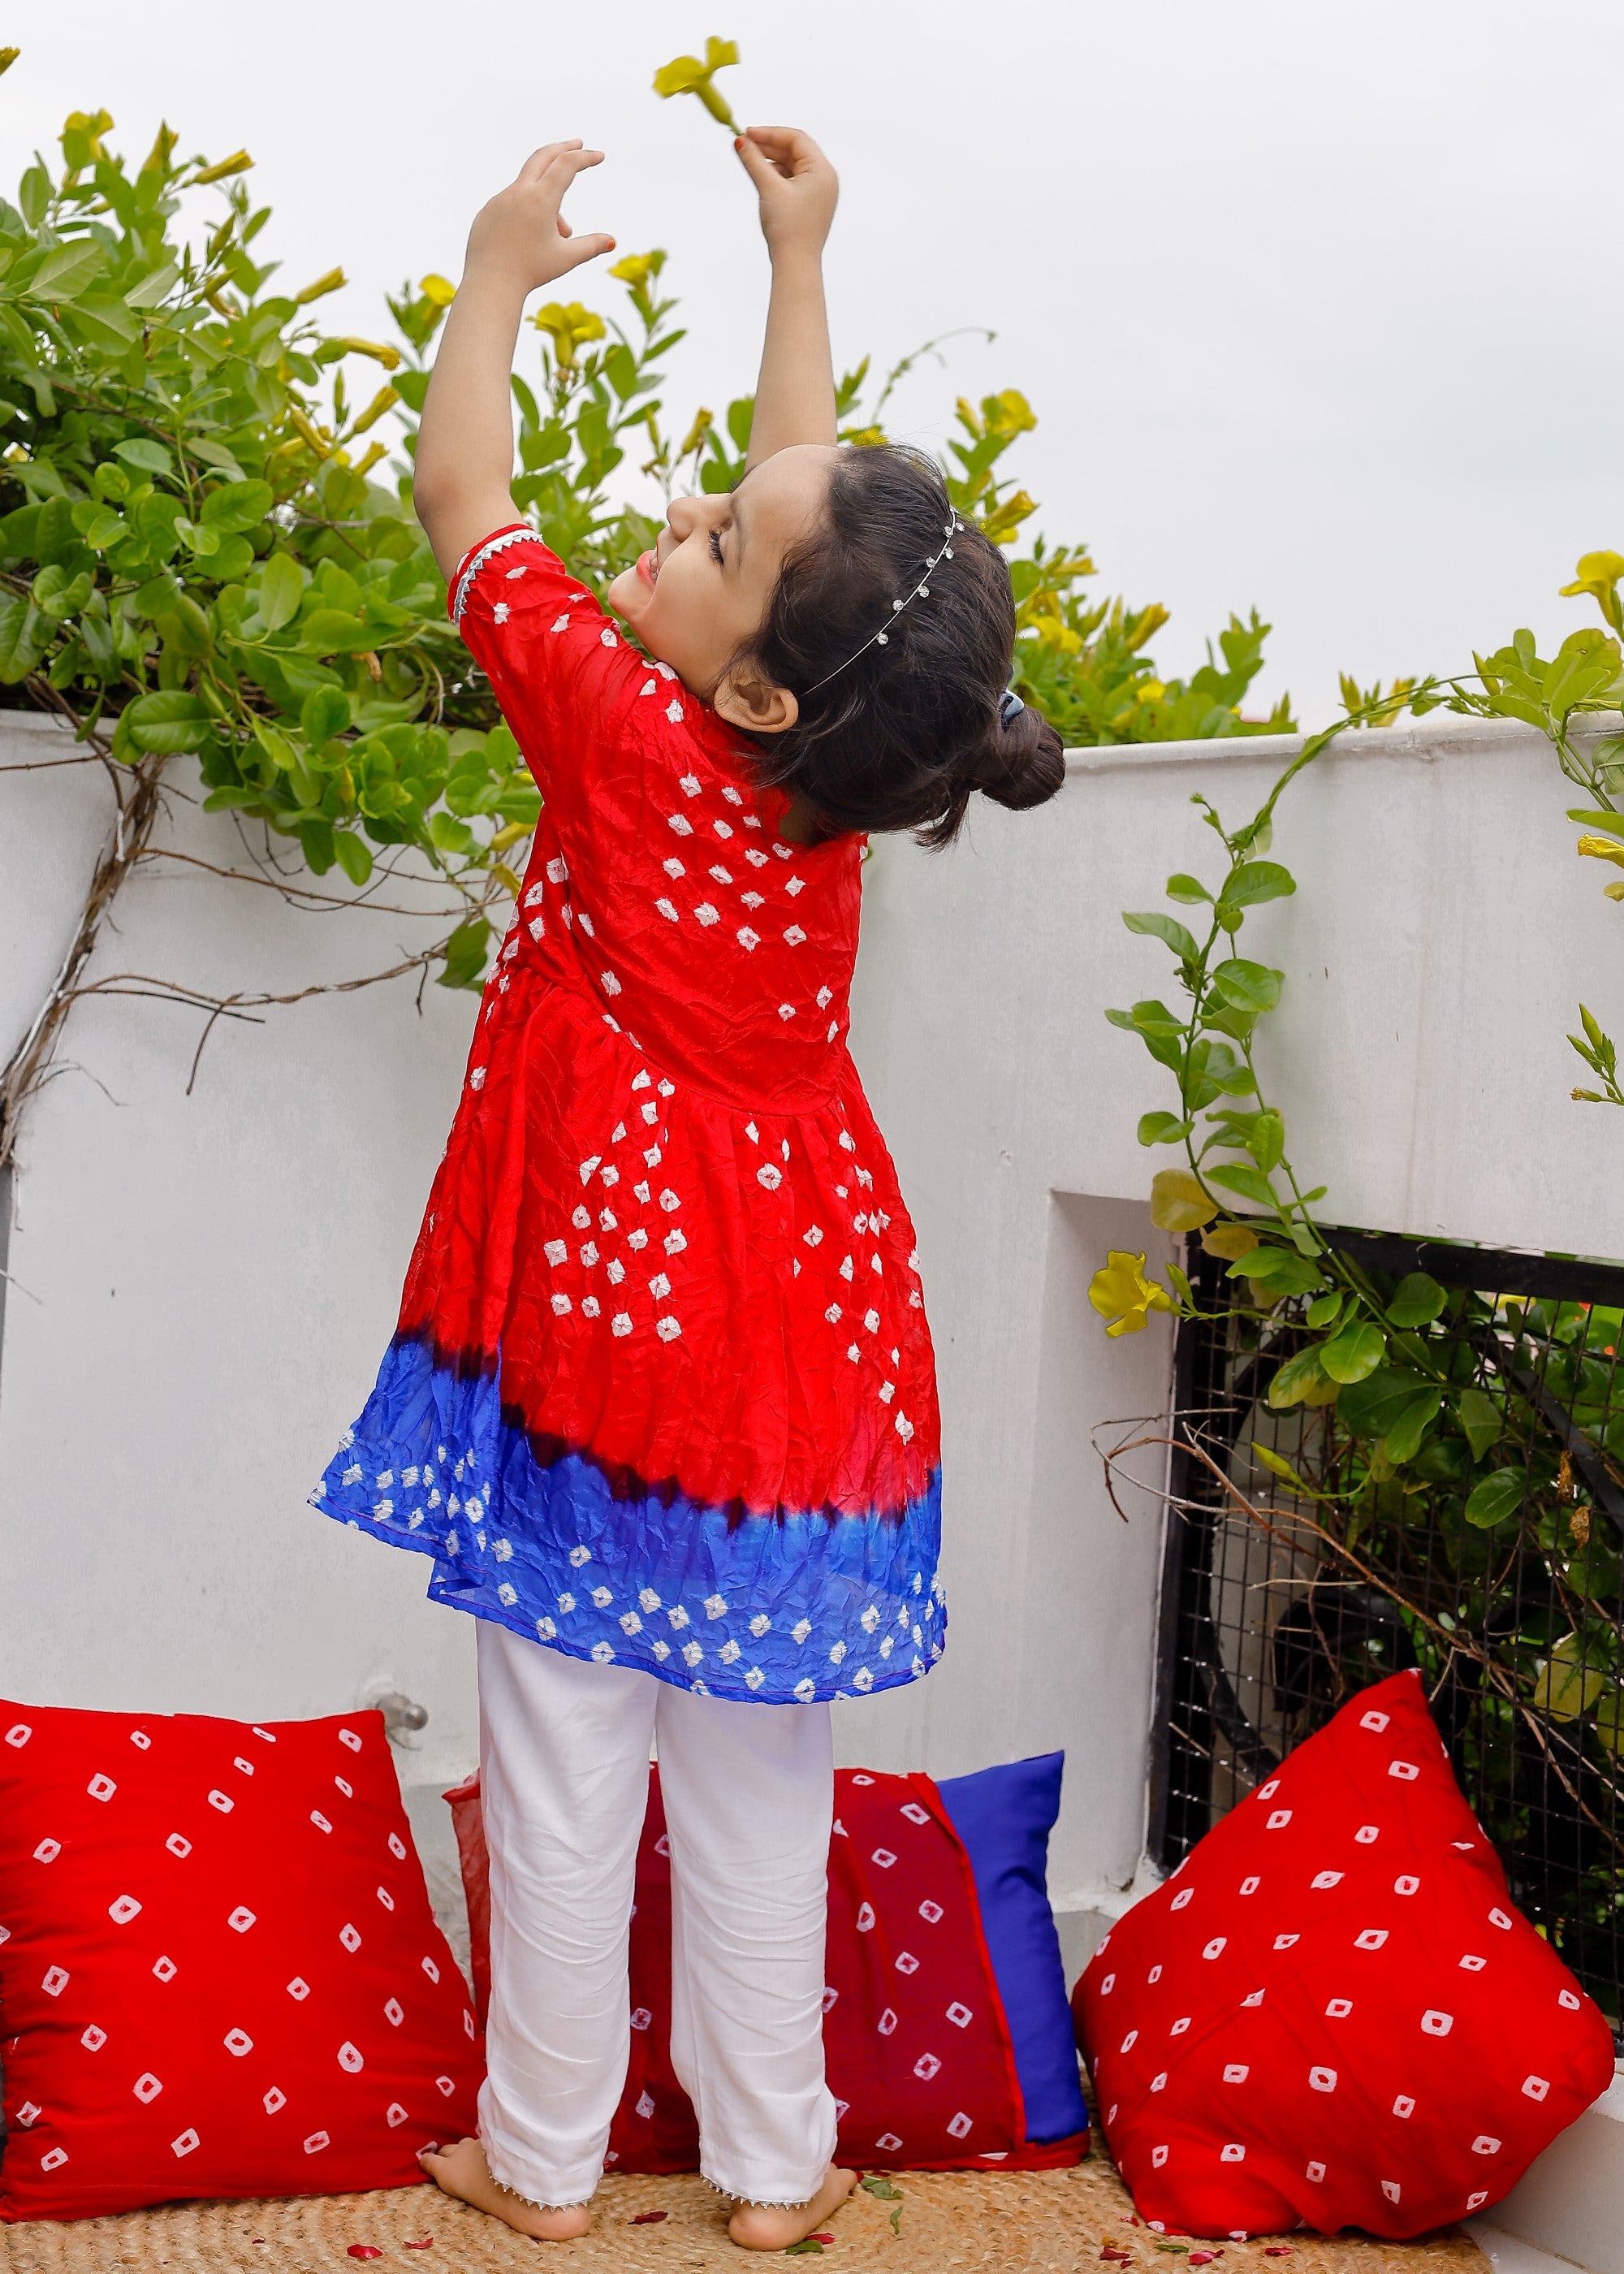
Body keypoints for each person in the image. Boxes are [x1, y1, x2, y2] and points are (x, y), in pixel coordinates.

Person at [313, 124, 1065, 2250]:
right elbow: (807, 519)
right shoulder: (829, 780)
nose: (677, 514)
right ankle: (776, 2167)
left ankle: (542, 2159)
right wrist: (797, 258)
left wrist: (486, 281)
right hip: (812, 1352)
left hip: (610, 1341)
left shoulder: (618, 731)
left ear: (746, 680)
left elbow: (468, 500)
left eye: (706, 534)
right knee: (758, 1785)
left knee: (562, 1762)